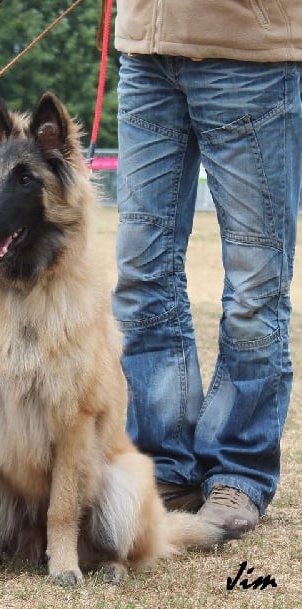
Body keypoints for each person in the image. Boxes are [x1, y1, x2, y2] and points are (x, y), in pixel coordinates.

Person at [112, 1, 302, 539]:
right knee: (141, 279)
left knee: (255, 287)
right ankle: (163, 465)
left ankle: (240, 471)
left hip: (248, 51)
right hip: (146, 52)